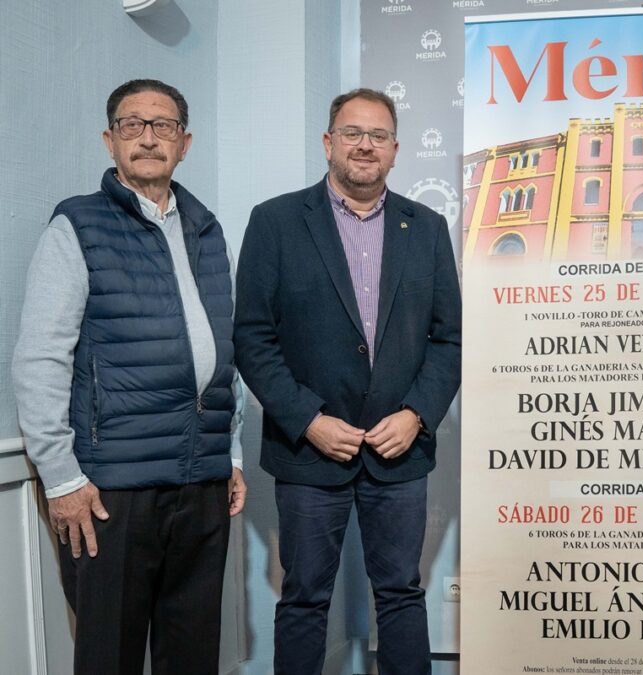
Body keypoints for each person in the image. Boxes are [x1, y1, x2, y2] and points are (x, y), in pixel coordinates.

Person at [12, 79, 247, 674]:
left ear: (185, 142)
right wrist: (61, 479)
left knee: (192, 655)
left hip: (202, 481)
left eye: (162, 125)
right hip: (111, 491)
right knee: (109, 656)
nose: (147, 137)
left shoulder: (207, 229)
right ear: (109, 140)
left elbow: (223, 351)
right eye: (131, 125)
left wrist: (233, 452)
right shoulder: (78, 226)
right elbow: (41, 358)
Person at [234, 87, 462, 675]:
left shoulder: (428, 227)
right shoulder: (275, 221)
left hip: (399, 449)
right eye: (353, 133)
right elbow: (253, 338)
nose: (365, 145)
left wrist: (416, 415)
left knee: (402, 593)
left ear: (395, 150)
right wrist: (307, 420)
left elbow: (449, 340)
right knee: (305, 597)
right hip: (311, 451)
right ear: (328, 142)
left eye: (378, 136)